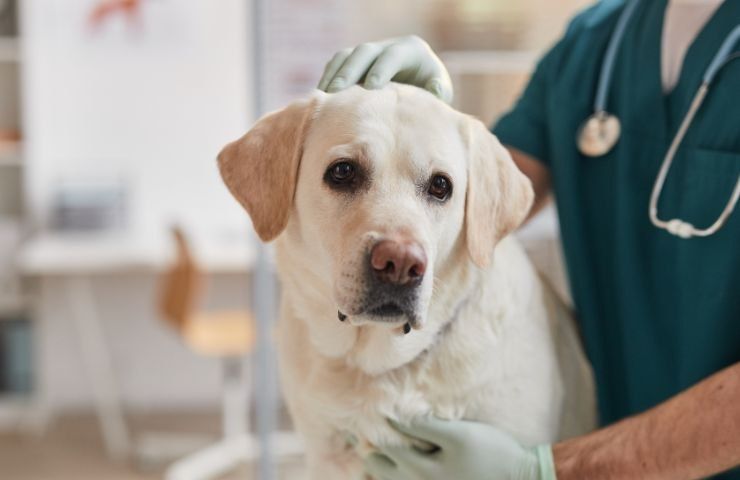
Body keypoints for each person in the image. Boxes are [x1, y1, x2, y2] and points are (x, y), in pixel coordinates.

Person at [317, 0, 740, 478]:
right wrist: (419, 127)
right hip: (610, 420)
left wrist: (545, 470)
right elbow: (482, 199)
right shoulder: (594, 42)